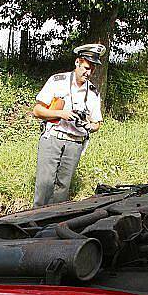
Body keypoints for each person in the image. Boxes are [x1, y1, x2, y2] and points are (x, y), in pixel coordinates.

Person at [32, 43, 105, 207]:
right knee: (44, 186)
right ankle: (33, 223)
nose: (89, 72)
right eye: (86, 67)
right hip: (53, 138)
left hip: (75, 143)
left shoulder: (93, 92)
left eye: (92, 69)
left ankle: (54, 225)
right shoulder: (58, 81)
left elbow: (97, 123)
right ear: (77, 62)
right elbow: (37, 111)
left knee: (62, 190)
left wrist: (88, 125)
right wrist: (61, 113)